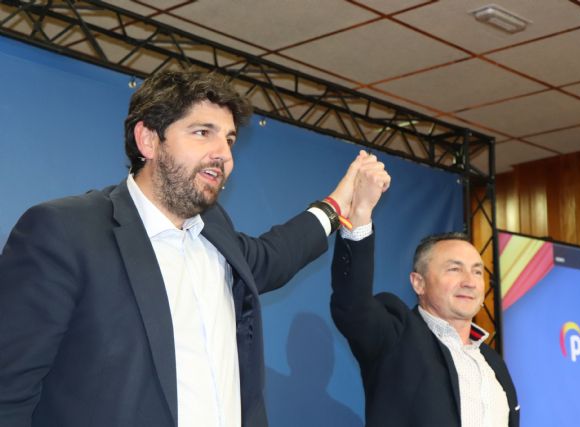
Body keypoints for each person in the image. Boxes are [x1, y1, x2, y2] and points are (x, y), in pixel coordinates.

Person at [0, 70, 388, 427]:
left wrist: (339, 203)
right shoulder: (67, 230)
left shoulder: (215, 232)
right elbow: (8, 392)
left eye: (229, 139)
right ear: (148, 140)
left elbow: (275, 256)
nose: (224, 154)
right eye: (203, 132)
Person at [331, 187, 519, 426]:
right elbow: (353, 305)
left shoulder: (493, 363)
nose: (469, 282)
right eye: (454, 269)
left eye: (477, 272)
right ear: (418, 283)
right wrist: (360, 214)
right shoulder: (396, 335)